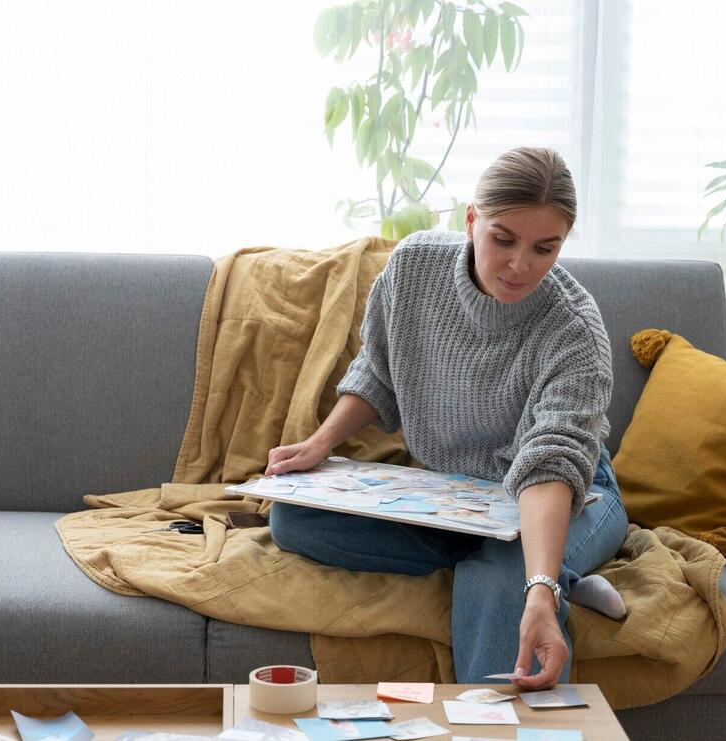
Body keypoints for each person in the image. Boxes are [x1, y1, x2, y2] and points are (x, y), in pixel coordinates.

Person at [265, 146, 628, 691]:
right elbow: (380, 371)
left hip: (570, 492)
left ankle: (544, 581)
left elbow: (550, 465)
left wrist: (535, 586)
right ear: (471, 219)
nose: (520, 265)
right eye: (503, 239)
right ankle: (555, 576)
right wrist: (320, 444)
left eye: (544, 248)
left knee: (503, 577)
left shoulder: (574, 330)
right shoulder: (414, 268)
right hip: (457, 494)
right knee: (294, 518)